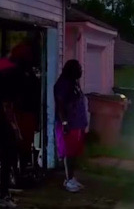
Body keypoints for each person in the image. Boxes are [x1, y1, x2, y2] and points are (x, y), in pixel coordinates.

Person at [0, 57, 25, 208]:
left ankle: (4, 194)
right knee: (8, 160)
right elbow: (8, 110)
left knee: (4, 160)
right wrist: (16, 130)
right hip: (3, 126)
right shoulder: (4, 88)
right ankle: (3, 196)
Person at [54, 60, 88, 193]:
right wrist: (64, 123)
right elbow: (61, 105)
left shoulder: (74, 83)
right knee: (68, 152)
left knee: (74, 152)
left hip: (77, 123)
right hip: (68, 124)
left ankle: (72, 177)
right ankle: (68, 180)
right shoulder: (62, 84)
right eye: (78, 68)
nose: (81, 71)